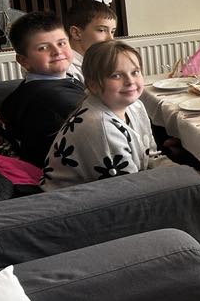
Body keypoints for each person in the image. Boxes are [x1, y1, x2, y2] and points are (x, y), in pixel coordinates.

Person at [41, 40, 166, 189]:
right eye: (116, 76)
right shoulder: (101, 127)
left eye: (135, 72)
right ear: (93, 85)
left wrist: (185, 173)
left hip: (125, 186)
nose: (130, 81)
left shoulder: (135, 106)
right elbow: (128, 190)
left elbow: (151, 156)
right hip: (79, 199)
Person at [0, 11, 86, 167]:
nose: (57, 51)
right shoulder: (51, 98)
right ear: (24, 60)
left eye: (62, 43)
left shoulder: (51, 84)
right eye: (43, 48)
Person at [64, 0, 118, 81]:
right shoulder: (67, 71)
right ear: (76, 33)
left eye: (112, 32)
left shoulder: (100, 62)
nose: (110, 39)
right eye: (101, 30)